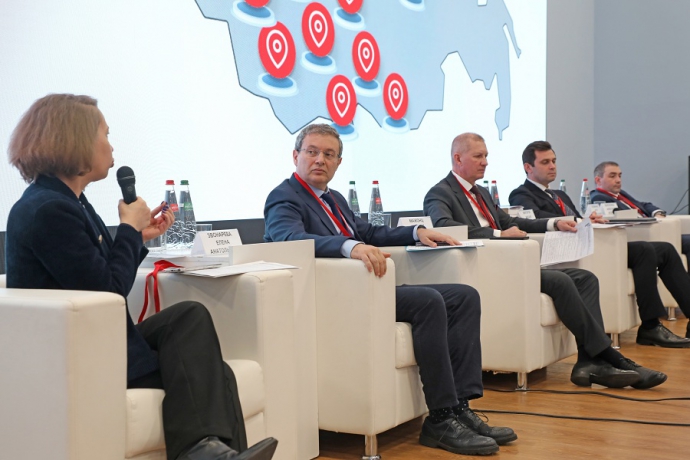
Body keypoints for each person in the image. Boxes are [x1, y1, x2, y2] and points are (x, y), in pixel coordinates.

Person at [5, 94, 277, 460]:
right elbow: (109, 291)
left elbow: (97, 276)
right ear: (76, 141)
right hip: (84, 351)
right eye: (105, 134)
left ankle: (208, 453)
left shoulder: (67, 201)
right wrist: (129, 230)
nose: (111, 146)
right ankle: (204, 452)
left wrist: (138, 237)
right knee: (219, 375)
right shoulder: (50, 210)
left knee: (189, 316)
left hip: (100, 337)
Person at [264, 123, 516, 456]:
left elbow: (368, 232)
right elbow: (289, 239)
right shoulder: (284, 196)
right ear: (295, 155)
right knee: (428, 301)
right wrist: (349, 246)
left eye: (329, 154)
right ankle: (440, 419)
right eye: (312, 152)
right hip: (332, 297)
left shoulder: (334, 199)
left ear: (338, 162)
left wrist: (416, 233)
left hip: (366, 288)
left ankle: (460, 406)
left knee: (463, 296)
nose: (320, 160)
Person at [424, 132, 666, 390]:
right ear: (458, 158)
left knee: (585, 278)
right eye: (478, 156)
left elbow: (511, 222)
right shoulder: (440, 193)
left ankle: (589, 361)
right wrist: (498, 234)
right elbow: (444, 227)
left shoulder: (481, 192)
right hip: (487, 270)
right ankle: (612, 358)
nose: (485, 162)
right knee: (560, 280)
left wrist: (554, 223)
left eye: (486, 156)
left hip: (514, 263)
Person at [510, 142, 690, 346]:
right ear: (528, 167)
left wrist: (588, 220)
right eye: (545, 162)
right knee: (644, 249)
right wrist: (579, 221)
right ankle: (650, 326)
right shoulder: (521, 193)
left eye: (554, 161)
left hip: (591, 244)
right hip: (569, 250)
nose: (552, 166)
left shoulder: (560, 194)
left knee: (664, 249)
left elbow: (577, 219)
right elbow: (536, 218)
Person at [591, 160, 690, 270]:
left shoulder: (620, 193)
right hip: (643, 233)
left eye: (620, 175)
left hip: (654, 228)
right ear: (598, 180)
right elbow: (621, 219)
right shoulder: (599, 198)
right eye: (612, 176)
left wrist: (657, 213)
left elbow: (643, 205)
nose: (618, 180)